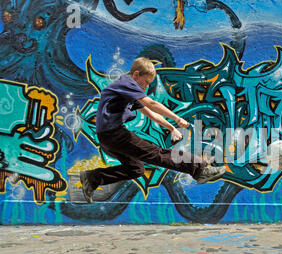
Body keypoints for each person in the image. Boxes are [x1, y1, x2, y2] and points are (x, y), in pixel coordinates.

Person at [79, 57, 226, 203]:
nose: (147, 87)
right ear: (136, 75)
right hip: (114, 134)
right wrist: (176, 118)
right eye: (146, 82)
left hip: (107, 137)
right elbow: (152, 104)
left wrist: (172, 127)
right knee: (158, 154)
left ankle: (93, 178)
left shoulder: (126, 90)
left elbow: (150, 114)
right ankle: (200, 169)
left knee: (135, 169)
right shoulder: (127, 83)